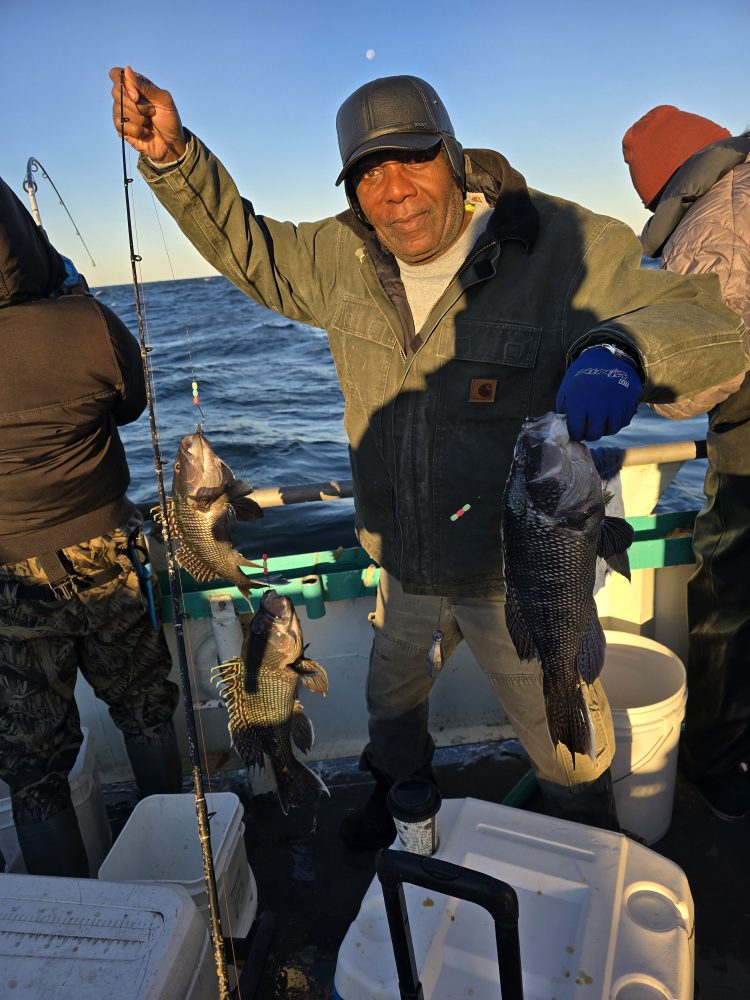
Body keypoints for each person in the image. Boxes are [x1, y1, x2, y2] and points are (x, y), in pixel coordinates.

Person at [110, 67, 748, 849]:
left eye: (411, 158)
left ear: (452, 154)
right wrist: (175, 160)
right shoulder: (338, 255)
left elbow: (703, 320)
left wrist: (624, 348)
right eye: (368, 172)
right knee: (390, 708)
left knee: (569, 741)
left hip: (512, 568)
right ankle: (402, 801)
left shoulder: (562, 245)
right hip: (402, 563)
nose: (394, 190)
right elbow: (251, 248)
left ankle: (587, 834)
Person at [0, 176, 182, 877]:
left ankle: (75, 921)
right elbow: (131, 404)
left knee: (33, 764)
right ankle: (177, 870)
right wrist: (72, 302)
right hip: (106, 546)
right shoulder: (88, 322)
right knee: (143, 705)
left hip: (11, 578)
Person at [623, 106, 750, 821]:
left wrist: (626, 369)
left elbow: (697, 384)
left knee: (728, 597)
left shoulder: (709, 229)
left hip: (748, 450)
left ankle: (715, 759)